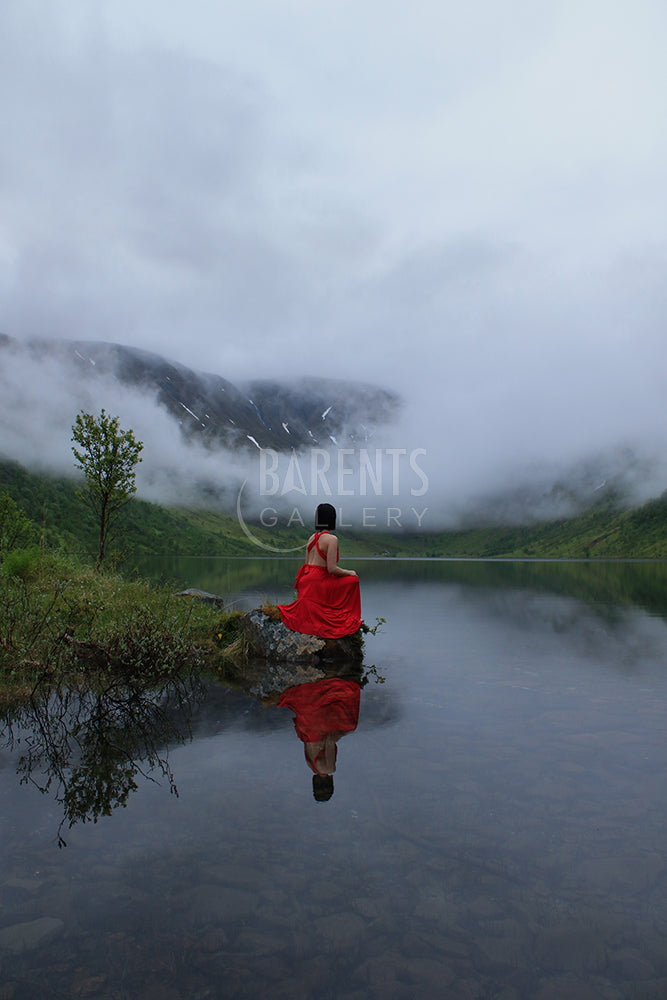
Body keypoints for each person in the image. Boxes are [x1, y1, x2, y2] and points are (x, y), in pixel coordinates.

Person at [278, 503, 361, 639]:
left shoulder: (312, 538)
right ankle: (341, 614)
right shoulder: (332, 539)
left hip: (305, 580)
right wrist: (349, 572)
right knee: (353, 580)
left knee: (337, 580)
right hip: (318, 582)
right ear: (332, 519)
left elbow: (307, 564)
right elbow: (332, 569)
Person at [278, 676, 361, 801]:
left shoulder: (329, 768)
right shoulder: (311, 766)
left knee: (351, 723)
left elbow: (329, 740)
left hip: (318, 728)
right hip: (307, 728)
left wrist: (346, 732)